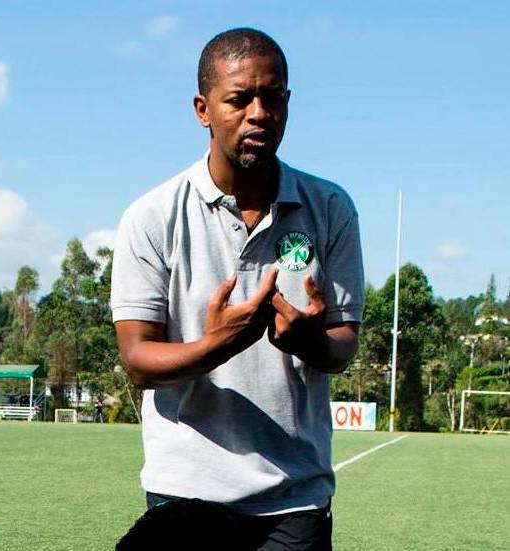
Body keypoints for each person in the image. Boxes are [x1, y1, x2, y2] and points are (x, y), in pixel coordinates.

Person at [111, 28, 364, 549]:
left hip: (293, 497)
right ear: (203, 109)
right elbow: (136, 360)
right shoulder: (152, 216)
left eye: (272, 98)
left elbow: (343, 346)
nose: (258, 113)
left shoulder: (330, 208)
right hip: (185, 494)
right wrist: (213, 346)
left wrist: (309, 341)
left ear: (288, 103)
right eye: (239, 99)